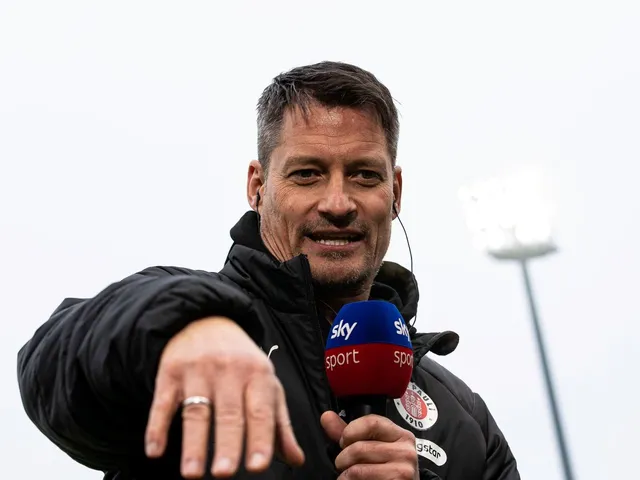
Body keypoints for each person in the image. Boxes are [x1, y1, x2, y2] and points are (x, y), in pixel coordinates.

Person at [17, 61, 520, 480]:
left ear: (396, 192)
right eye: (308, 174)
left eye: (364, 175)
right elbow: (50, 367)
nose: (338, 202)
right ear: (257, 187)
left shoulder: (463, 419)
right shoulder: (180, 324)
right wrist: (183, 326)